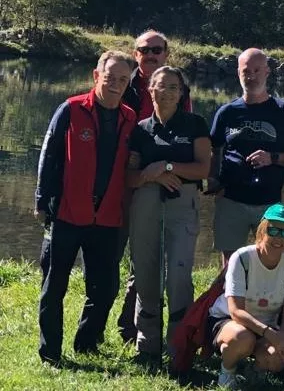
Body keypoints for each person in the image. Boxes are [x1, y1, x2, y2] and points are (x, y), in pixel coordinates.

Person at [35, 51, 137, 364]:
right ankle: (50, 352)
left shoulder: (130, 118)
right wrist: (41, 199)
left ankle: (86, 343)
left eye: (123, 79)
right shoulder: (71, 108)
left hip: (106, 217)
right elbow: (49, 154)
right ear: (96, 76)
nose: (116, 84)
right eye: (111, 78)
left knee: (105, 289)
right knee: (54, 287)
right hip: (67, 212)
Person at [125, 66, 211, 363]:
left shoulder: (195, 124)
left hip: (182, 203)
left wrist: (168, 167)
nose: (170, 92)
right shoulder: (140, 129)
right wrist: (153, 175)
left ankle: (179, 346)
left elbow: (204, 169)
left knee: (178, 272)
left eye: (176, 87)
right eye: (163, 86)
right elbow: (130, 177)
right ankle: (146, 346)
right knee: (146, 270)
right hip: (146, 202)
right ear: (151, 90)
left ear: (182, 92)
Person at [118, 29, 193, 344]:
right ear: (136, 54)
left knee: (148, 258)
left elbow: (187, 140)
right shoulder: (122, 82)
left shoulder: (179, 88)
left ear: (166, 53)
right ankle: (128, 324)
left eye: (157, 50)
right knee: (126, 254)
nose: (150, 55)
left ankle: (132, 326)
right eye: (144, 49)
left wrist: (167, 170)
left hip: (160, 183)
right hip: (122, 178)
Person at [209, 48, 284, 267]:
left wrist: (273, 158)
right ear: (238, 73)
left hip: (269, 203)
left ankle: (273, 300)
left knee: (275, 262)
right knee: (230, 265)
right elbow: (213, 150)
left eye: (257, 70)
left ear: (267, 72)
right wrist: (214, 182)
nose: (251, 76)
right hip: (231, 201)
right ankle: (229, 300)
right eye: (246, 71)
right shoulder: (227, 112)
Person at [208, 204, 284, 389]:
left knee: (277, 360)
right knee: (243, 338)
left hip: (268, 327)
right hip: (229, 320)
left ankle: (255, 370)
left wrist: (281, 339)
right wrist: (269, 334)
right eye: (273, 230)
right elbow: (236, 311)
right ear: (262, 231)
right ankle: (227, 371)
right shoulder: (242, 258)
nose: (278, 238)